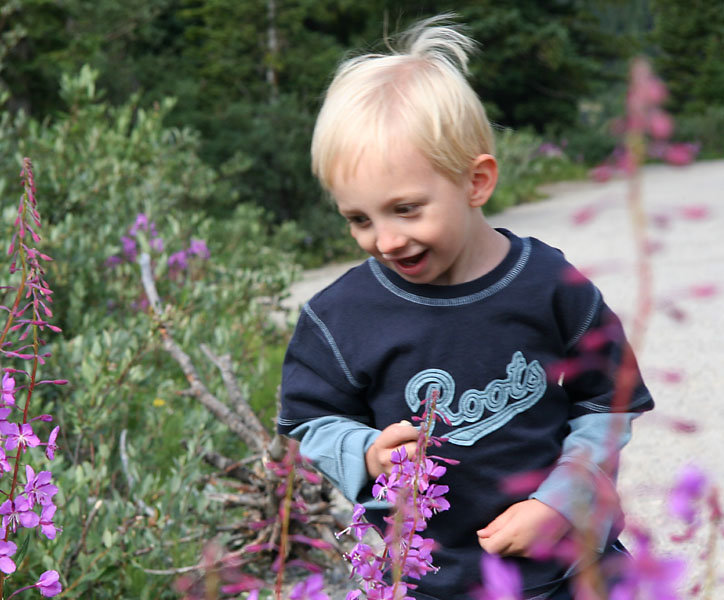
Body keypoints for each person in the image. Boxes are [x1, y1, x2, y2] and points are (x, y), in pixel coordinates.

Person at [276, 15, 653, 600]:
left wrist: (562, 503)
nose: (385, 239)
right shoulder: (341, 316)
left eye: (406, 209)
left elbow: (608, 400)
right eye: (359, 218)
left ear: (475, 182)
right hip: (431, 581)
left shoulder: (548, 284)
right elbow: (307, 423)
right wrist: (366, 451)